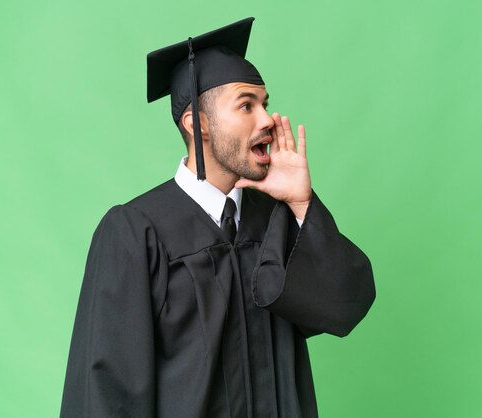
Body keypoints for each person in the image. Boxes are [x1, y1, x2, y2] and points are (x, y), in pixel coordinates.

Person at [60, 17, 375, 418]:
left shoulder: (275, 219)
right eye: (247, 105)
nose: (266, 120)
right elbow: (106, 393)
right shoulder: (137, 232)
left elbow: (344, 308)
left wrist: (302, 203)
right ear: (198, 124)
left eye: (265, 103)